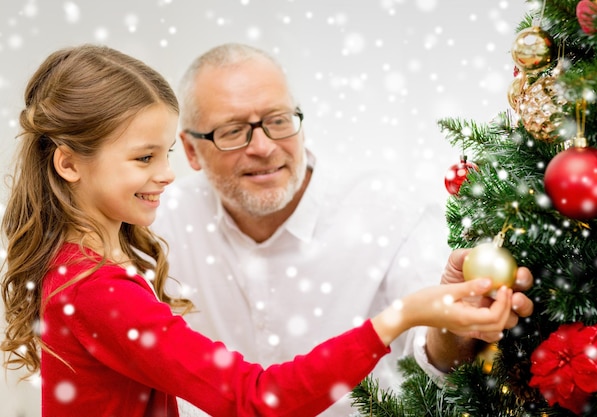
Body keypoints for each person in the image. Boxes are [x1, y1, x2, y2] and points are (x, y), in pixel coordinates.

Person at [0, 43, 522, 417]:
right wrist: (397, 318)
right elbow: (255, 400)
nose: (165, 174)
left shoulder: (86, 271)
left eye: (277, 120)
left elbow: (437, 370)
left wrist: (444, 319)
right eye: (143, 157)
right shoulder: (98, 287)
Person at [151, 43, 534, 416]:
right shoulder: (159, 224)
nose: (264, 147)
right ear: (189, 151)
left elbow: (434, 357)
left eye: (278, 121)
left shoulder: (391, 209)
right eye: (233, 131)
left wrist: (457, 325)